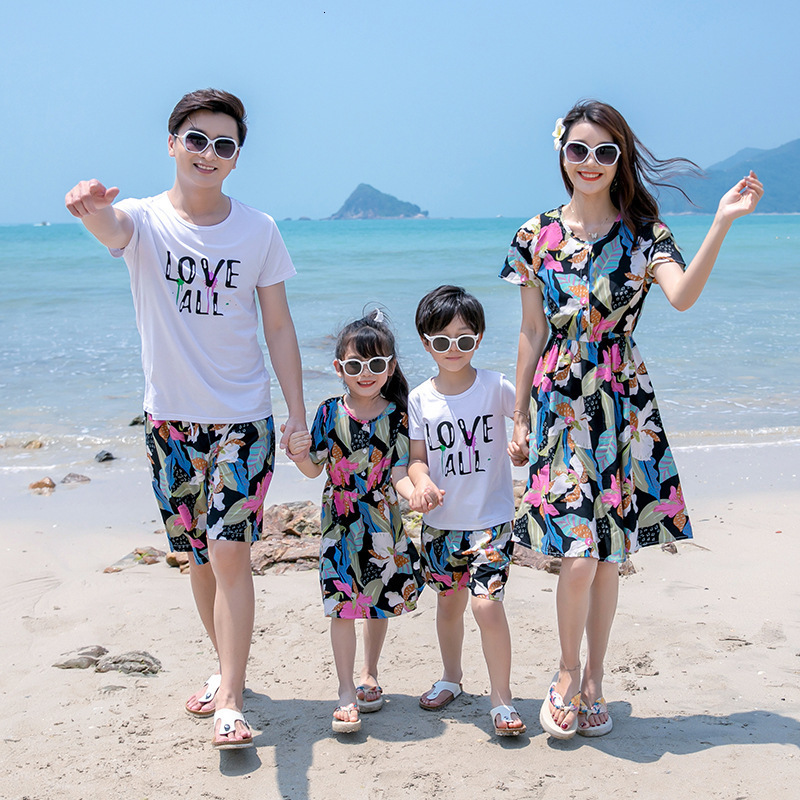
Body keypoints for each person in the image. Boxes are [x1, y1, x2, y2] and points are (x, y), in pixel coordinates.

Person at [501, 100, 764, 739]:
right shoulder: (534, 234)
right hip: (560, 403)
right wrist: (518, 415)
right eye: (579, 150)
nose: (590, 163)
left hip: (620, 403)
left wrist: (722, 223)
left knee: (610, 553)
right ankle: (566, 673)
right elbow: (532, 330)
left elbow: (680, 297)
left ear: (620, 160)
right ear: (561, 153)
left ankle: (595, 681)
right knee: (579, 550)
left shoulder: (646, 234)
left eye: (605, 152)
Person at [65, 88, 308, 750]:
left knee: (231, 549)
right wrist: (88, 204)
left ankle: (230, 697)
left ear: (236, 159)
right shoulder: (140, 220)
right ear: (172, 143)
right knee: (198, 557)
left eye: (223, 145)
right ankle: (229, 670)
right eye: (196, 139)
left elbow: (279, 325)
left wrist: (296, 413)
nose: (208, 153)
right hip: (170, 423)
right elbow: (107, 227)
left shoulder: (258, 230)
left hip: (242, 420)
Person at [287, 311, 424, 734]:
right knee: (342, 607)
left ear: (391, 367)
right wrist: (297, 455)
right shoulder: (328, 413)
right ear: (339, 369)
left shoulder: (400, 414)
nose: (366, 374)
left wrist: (416, 496)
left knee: (377, 601)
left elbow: (400, 472)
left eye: (376, 364)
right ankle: (345, 690)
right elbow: (315, 469)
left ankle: (369, 674)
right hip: (339, 523)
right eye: (355, 366)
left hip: (383, 521)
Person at [407, 285, 526, 737]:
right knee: (449, 604)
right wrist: (421, 483)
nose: (452, 349)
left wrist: (520, 446)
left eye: (463, 338)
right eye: (441, 340)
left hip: (490, 522)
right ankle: (451, 678)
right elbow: (417, 458)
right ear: (425, 343)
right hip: (439, 527)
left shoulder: (497, 387)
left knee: (486, 606)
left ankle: (502, 699)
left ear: (478, 339)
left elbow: (521, 425)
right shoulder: (420, 398)